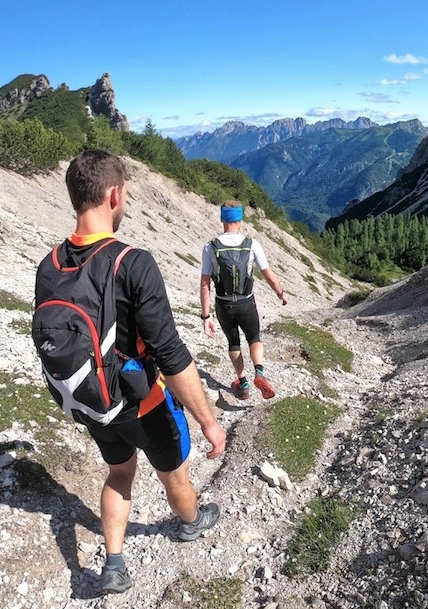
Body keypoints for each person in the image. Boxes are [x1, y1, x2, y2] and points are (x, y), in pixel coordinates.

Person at [37, 150, 227, 595]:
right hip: (144, 403)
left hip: (93, 402)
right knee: (173, 475)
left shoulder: (50, 264)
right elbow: (171, 354)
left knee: (119, 474)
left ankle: (115, 565)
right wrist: (209, 422)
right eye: (125, 196)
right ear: (113, 195)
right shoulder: (132, 262)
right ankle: (190, 522)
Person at [199, 200, 289, 400]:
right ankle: (259, 372)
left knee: (233, 342)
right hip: (247, 302)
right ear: (240, 219)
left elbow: (205, 283)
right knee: (254, 338)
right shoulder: (251, 244)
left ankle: (243, 382)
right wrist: (281, 294)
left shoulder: (210, 247)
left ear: (222, 219)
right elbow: (268, 274)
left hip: (223, 304)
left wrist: (206, 316)